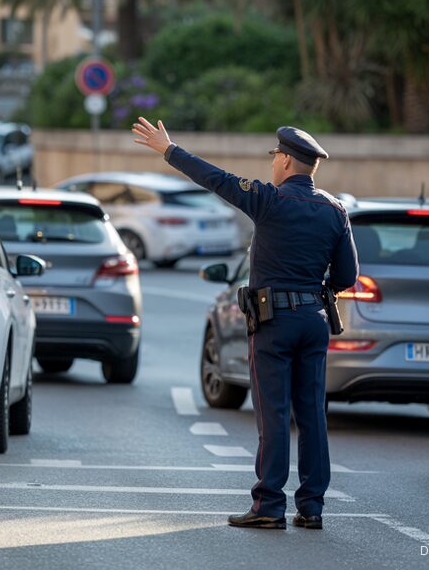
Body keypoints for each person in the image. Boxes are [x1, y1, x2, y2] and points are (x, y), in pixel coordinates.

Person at [131, 117, 359, 530]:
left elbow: (216, 179)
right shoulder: (335, 211)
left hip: (275, 323)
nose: (273, 164)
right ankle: (312, 507)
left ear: (287, 161)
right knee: (312, 416)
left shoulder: (268, 200)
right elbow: (347, 276)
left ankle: (269, 505)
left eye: (276, 157)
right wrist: (313, 290)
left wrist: (169, 149)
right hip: (314, 321)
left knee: (273, 413)